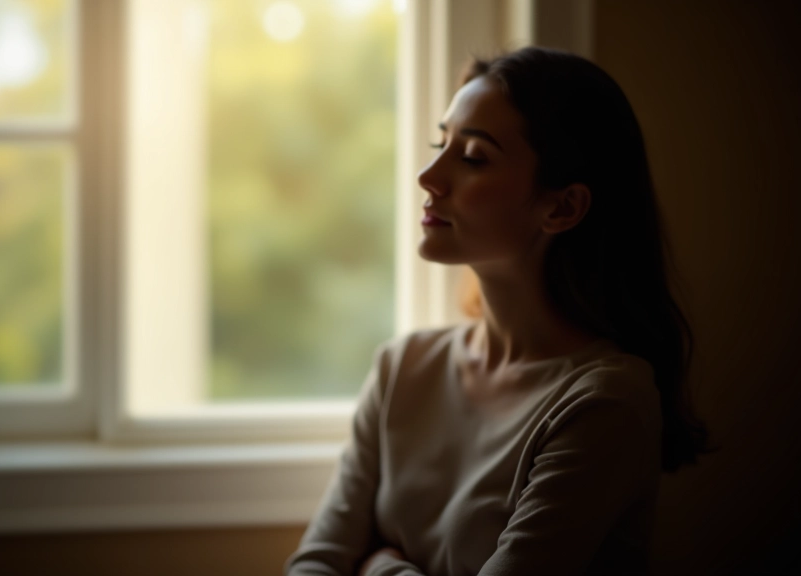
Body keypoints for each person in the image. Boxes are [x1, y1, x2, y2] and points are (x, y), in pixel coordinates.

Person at [284, 46, 713, 576]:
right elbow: (314, 564)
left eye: (472, 158)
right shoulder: (404, 367)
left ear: (562, 207)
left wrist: (379, 570)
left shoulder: (604, 404)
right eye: (440, 143)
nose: (428, 176)